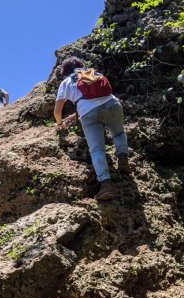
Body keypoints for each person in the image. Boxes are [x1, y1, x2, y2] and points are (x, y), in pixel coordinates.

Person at [53, 56, 131, 201]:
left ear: (65, 71)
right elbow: (96, 96)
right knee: (118, 133)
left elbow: (57, 110)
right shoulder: (93, 73)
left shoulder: (67, 82)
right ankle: (123, 159)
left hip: (89, 114)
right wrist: (76, 115)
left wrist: (60, 124)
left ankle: (106, 186)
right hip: (112, 104)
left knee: (97, 150)